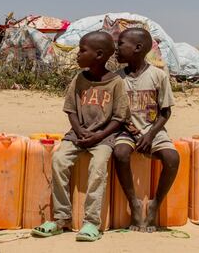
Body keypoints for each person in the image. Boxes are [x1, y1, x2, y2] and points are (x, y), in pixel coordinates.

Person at [32, 31, 129, 241]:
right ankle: (60, 218)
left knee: (98, 166)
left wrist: (98, 135)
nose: (77, 54)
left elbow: (119, 118)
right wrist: (78, 131)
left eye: (82, 50)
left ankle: (92, 222)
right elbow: (71, 110)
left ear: (99, 55)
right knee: (59, 160)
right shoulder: (79, 79)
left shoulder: (116, 83)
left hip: (103, 137)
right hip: (77, 134)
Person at [114, 28, 180, 233]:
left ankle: (155, 204)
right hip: (126, 129)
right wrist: (135, 133)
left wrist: (150, 135)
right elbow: (116, 115)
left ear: (138, 48)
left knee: (172, 158)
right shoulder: (117, 79)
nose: (116, 49)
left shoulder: (158, 76)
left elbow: (165, 112)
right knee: (120, 153)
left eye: (120, 44)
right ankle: (133, 202)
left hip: (153, 130)